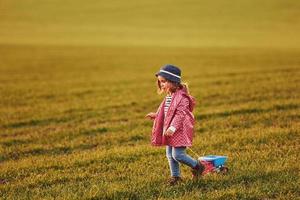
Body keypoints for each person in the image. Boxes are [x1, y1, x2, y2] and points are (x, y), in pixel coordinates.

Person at [145, 64, 206, 186]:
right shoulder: (170, 95)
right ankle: (176, 176)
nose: (161, 84)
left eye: (164, 81)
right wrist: (157, 115)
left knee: (178, 155)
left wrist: (172, 128)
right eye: (160, 82)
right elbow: (167, 111)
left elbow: (180, 115)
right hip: (170, 130)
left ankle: (198, 166)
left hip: (179, 130)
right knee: (169, 155)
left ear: (173, 81)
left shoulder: (182, 98)